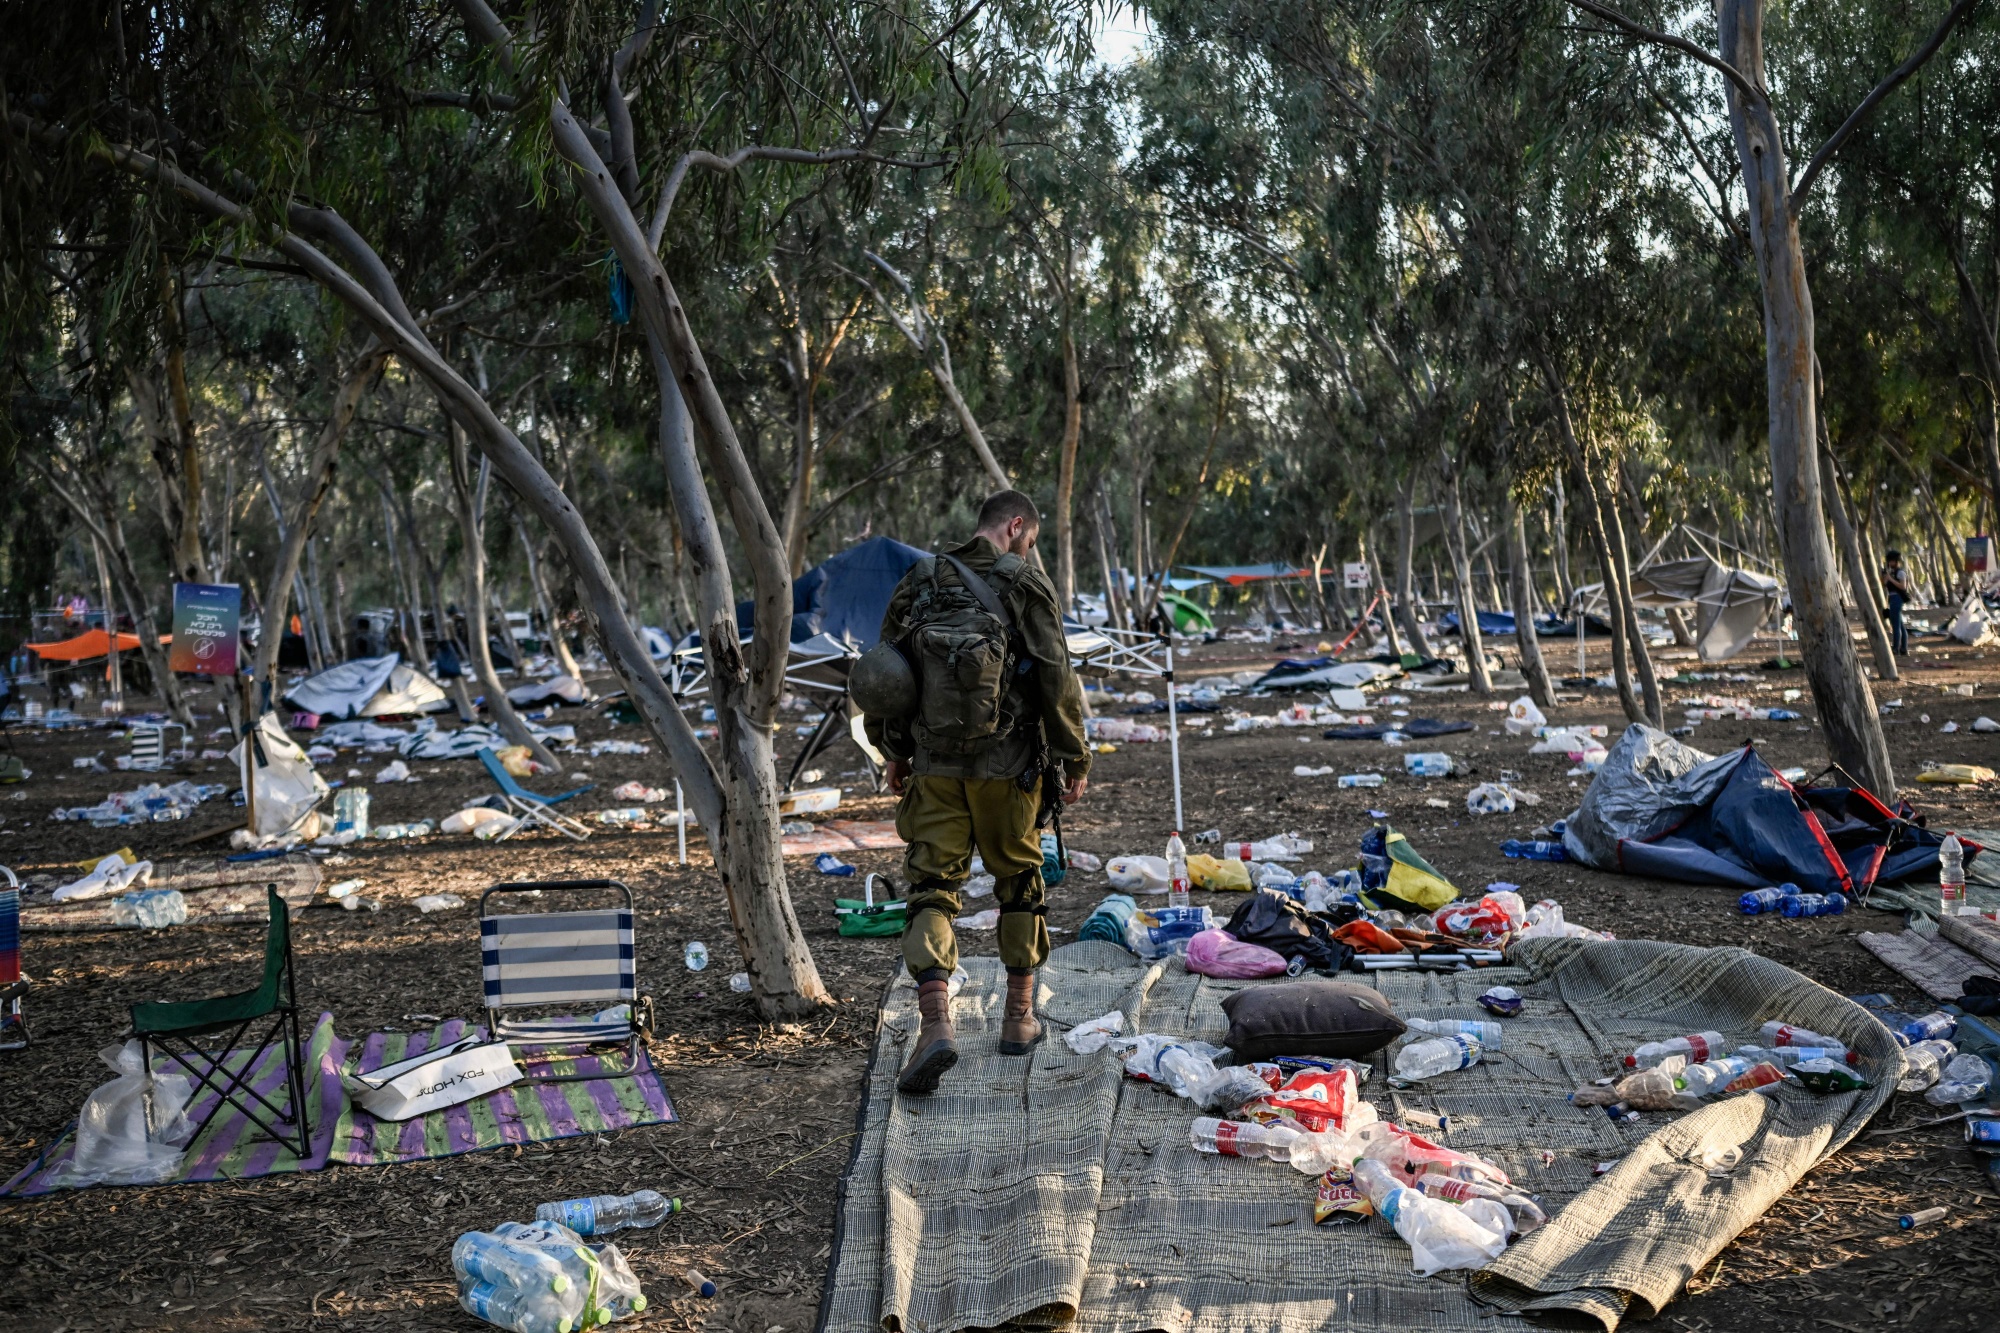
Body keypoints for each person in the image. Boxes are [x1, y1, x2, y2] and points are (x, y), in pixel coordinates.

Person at [863, 490, 1091, 1095]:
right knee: (1019, 880)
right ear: (1016, 527)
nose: (1028, 549)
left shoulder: (922, 578)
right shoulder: (1024, 583)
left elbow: (887, 673)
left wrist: (894, 750)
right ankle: (1019, 1019)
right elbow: (1055, 674)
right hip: (1008, 766)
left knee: (933, 888)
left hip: (935, 765)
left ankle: (935, 1022)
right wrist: (1073, 755)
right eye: (1030, 540)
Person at [1882, 550, 1911, 655]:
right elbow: (1885, 585)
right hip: (1891, 598)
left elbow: (1903, 587)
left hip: (1897, 598)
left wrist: (1891, 579)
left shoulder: (1901, 573)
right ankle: (1903, 648)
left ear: (1896, 561)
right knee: (1900, 625)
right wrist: (1886, 577)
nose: (1890, 563)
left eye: (1891, 561)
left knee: (1895, 625)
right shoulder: (1892, 572)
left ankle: (1895, 648)